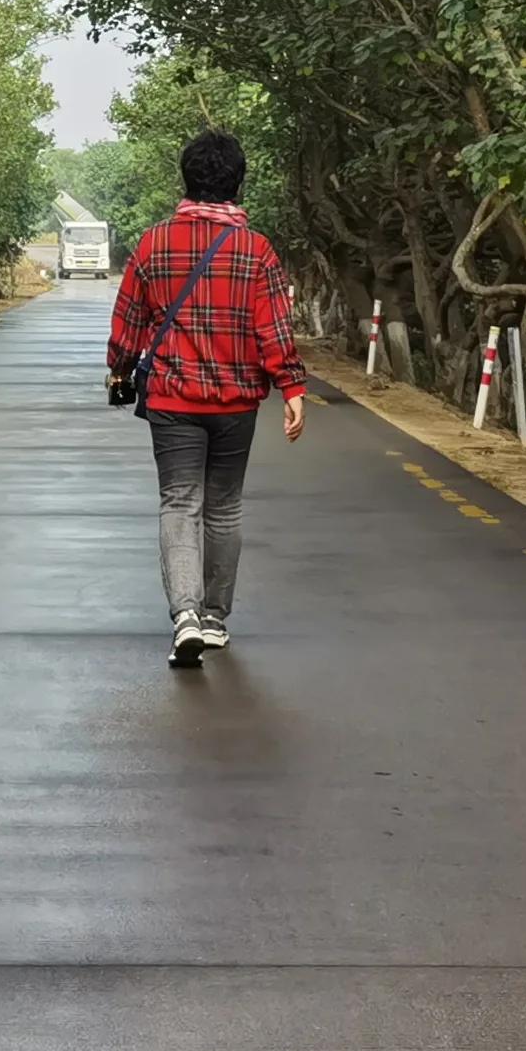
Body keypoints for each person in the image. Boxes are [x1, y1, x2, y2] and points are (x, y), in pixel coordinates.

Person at [104, 129, 306, 665]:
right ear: (237, 183)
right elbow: (274, 329)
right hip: (238, 402)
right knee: (224, 506)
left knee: (179, 502)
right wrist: (292, 386)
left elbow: (126, 324)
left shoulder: (152, 244)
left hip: (172, 400)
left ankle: (185, 616)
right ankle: (215, 618)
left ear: (186, 179)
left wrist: (118, 371)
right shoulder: (256, 250)